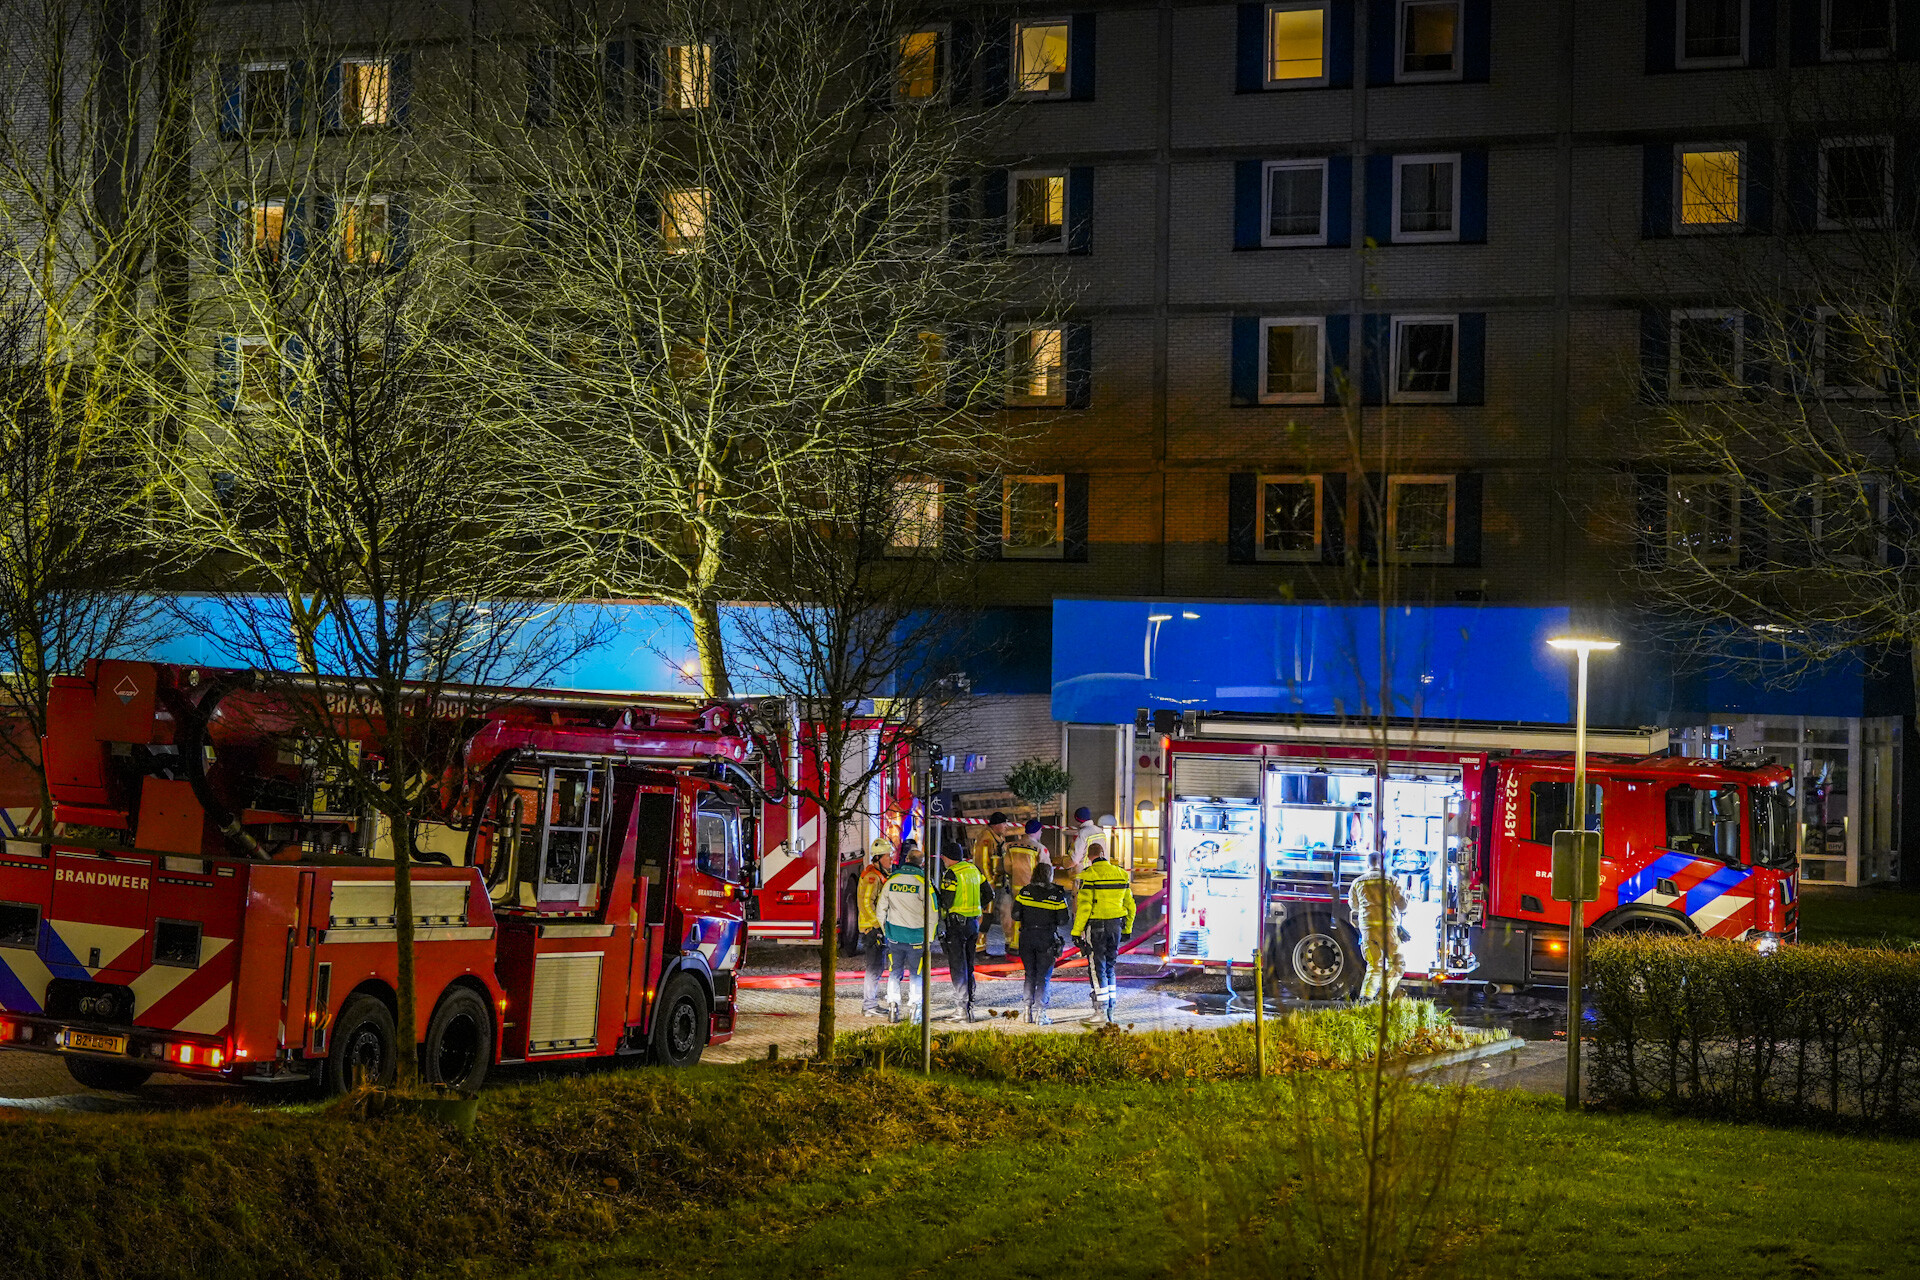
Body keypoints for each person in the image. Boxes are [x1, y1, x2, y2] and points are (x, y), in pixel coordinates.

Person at [1071, 841, 1135, 1023]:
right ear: (1103, 853)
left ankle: (1100, 1012)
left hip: (1096, 926)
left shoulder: (1089, 875)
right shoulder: (1121, 874)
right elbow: (1130, 905)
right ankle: (1111, 1010)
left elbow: (1084, 907)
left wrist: (1077, 932)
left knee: (1096, 967)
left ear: (1089, 857)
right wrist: (1128, 928)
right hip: (1116, 925)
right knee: (1110, 967)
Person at [875, 842, 932, 1024]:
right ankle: (915, 1010)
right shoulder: (923, 882)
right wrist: (929, 937)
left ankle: (893, 1006)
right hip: (917, 937)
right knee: (916, 974)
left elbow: (880, 910)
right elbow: (933, 911)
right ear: (921, 864)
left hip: (895, 937)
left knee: (894, 971)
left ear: (906, 860)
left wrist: (887, 931)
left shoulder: (892, 880)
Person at [937, 843, 992, 1021]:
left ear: (947, 857)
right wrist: (977, 907)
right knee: (969, 966)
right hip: (973, 924)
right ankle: (969, 1006)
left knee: (958, 967)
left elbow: (945, 902)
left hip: (956, 926)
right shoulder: (973, 870)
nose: (942, 860)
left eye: (943, 857)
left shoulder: (951, 874)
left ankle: (961, 1009)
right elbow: (989, 894)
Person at [1348, 854, 1411, 1002]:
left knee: (1374, 965)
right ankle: (1385, 993)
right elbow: (1402, 906)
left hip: (1367, 930)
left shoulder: (1357, 882)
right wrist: (1407, 896)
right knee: (1397, 963)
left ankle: (1366, 997)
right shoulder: (1391, 881)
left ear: (1367, 864)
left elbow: (1354, 906)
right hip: (1387, 928)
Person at [1013, 862, 1070, 1023]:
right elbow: (1063, 920)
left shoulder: (1025, 892)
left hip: (1027, 937)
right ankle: (1041, 1014)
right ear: (1049, 876)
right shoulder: (1056, 895)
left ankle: (1026, 1012)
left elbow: (1015, 915)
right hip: (1046, 938)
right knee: (1043, 977)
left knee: (1029, 974)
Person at [856, 840, 892, 1017]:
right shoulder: (872, 876)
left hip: (876, 928)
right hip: (872, 930)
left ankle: (871, 1003)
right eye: (888, 856)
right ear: (878, 858)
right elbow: (865, 903)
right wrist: (876, 926)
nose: (891, 859)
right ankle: (869, 1005)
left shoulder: (879, 873)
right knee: (873, 967)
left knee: (877, 967)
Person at [1001, 819, 1045, 949]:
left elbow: (1007, 867)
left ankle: (1014, 944)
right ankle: (1028, 945)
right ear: (1037, 832)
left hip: (1016, 887)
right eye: (1041, 831)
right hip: (1033, 888)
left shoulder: (1012, 846)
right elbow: (1045, 871)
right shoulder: (1039, 848)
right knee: (1031, 917)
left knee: (1015, 914)